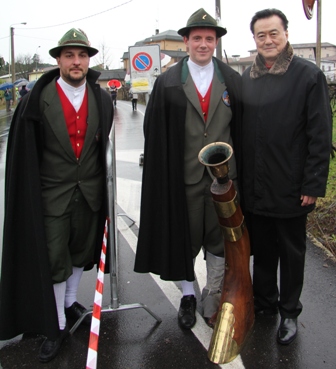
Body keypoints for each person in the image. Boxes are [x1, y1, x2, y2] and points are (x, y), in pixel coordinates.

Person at [0, 28, 113, 362]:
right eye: (69, 56)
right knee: (53, 260)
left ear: (89, 60)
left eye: (82, 56)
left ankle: (68, 303)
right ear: (58, 60)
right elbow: (24, 155)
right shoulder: (36, 100)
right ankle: (57, 324)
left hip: (89, 194)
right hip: (52, 195)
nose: (76, 62)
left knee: (79, 253)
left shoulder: (102, 98)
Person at [134, 8, 242, 330]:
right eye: (197, 38)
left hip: (225, 178)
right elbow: (153, 132)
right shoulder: (168, 82)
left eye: (210, 39)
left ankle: (213, 294)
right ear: (186, 41)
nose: (204, 44)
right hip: (185, 178)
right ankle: (187, 296)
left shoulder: (231, 80)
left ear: (216, 42)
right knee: (185, 236)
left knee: (219, 239)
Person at [241, 8, 332, 345]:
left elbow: (320, 134)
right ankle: (264, 305)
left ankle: (289, 312)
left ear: (286, 34)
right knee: (262, 251)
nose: (267, 40)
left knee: (292, 255)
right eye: (261, 35)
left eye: (273, 33)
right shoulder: (247, 79)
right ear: (254, 40)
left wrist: (313, 183)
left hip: (292, 187)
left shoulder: (307, 76)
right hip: (256, 187)